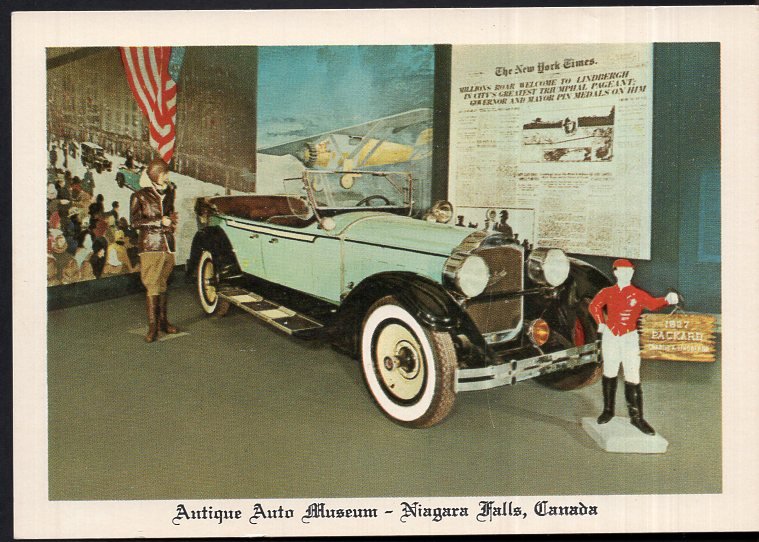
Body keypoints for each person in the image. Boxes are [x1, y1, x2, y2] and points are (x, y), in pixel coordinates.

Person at [589, 259, 679, 435]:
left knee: (632, 375)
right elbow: (594, 306)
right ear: (615, 272)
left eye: (629, 271)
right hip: (611, 336)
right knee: (610, 372)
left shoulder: (637, 294)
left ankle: (637, 418)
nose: (626, 274)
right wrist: (601, 323)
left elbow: (652, 304)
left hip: (629, 337)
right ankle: (608, 411)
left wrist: (667, 300)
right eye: (622, 271)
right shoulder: (607, 292)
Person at [130, 158, 179, 342]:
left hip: (167, 244)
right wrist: (159, 222)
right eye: (165, 173)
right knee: (152, 284)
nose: (167, 177)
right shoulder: (139, 196)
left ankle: (163, 322)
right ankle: (152, 327)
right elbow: (134, 222)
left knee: (163, 283)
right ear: (156, 174)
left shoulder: (170, 192)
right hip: (150, 245)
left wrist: (172, 220)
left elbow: (169, 212)